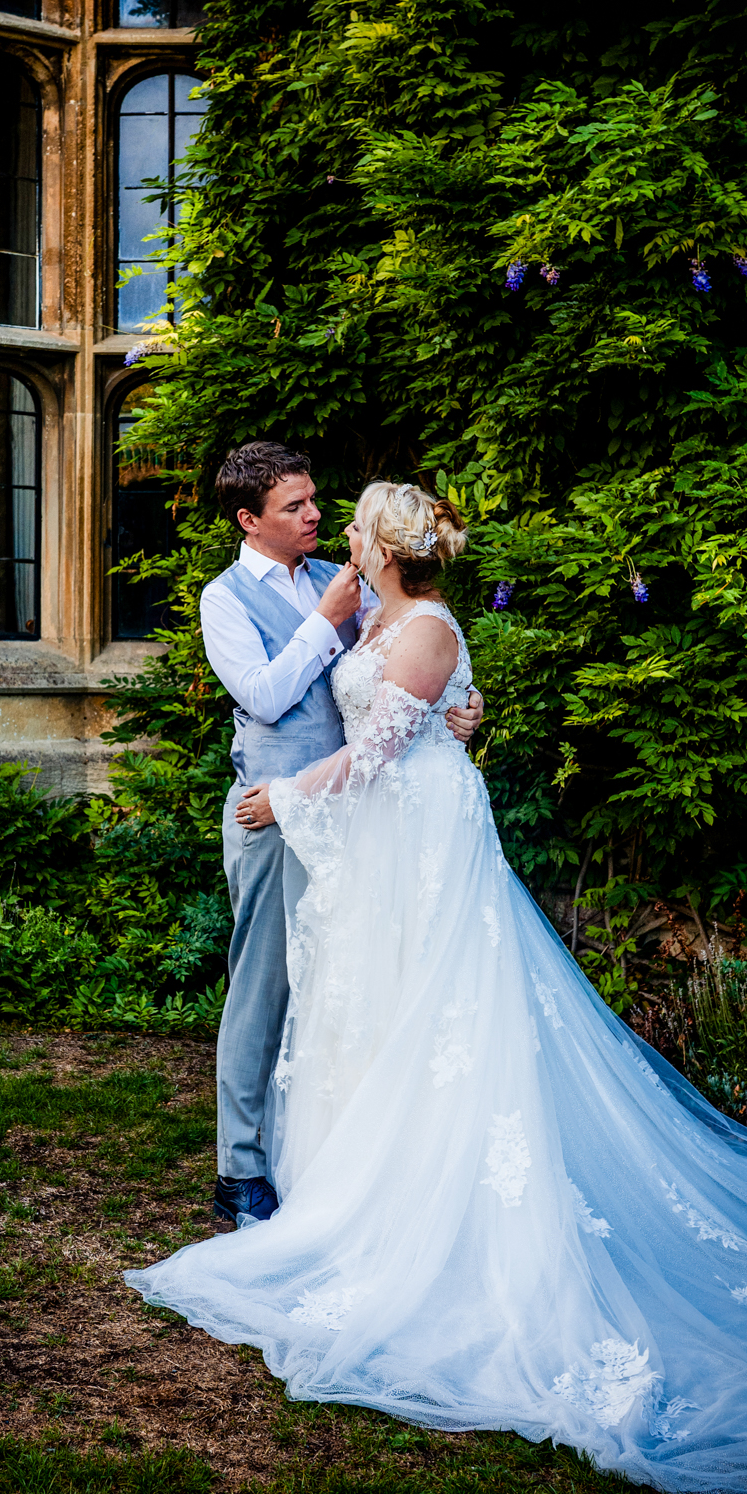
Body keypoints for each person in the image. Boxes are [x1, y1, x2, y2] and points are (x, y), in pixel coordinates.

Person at [129, 480, 747, 1494]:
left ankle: (425, 1216)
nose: (341, 530)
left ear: (382, 545)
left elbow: (372, 751)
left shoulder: (418, 623)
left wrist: (285, 793)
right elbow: (369, 699)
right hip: (381, 839)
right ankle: (340, 1189)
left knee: (440, 1017)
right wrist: (450, 710)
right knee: (371, 1012)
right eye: (326, 512)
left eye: (354, 520)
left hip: (415, 829)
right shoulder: (359, 607)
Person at [198, 443, 483, 1229]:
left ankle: (329, 1156)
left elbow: (411, 652)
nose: (315, 516)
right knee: (264, 985)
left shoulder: (343, 579)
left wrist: (460, 704)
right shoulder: (223, 599)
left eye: (316, 501)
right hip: (273, 811)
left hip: (363, 819)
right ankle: (241, 1169)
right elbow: (259, 697)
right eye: (294, 507)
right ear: (250, 521)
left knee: (340, 983)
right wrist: (321, 630)